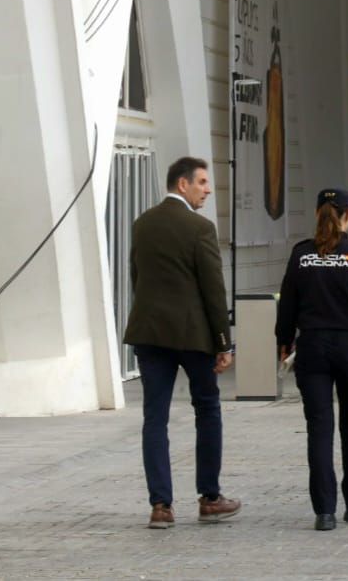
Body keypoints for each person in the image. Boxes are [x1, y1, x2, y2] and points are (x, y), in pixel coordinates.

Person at [124, 156, 241, 530]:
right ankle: (209, 497)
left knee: (154, 418)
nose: (207, 190)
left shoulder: (143, 223)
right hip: (193, 337)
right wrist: (224, 341)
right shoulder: (199, 228)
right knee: (207, 409)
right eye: (203, 182)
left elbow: (136, 276)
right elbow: (212, 288)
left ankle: (160, 506)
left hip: (150, 334)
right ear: (182, 185)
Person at [276, 187, 348, 532]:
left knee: (319, 429)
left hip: (312, 349)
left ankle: (324, 511)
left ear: (317, 213)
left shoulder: (301, 255)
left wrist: (284, 341)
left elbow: (287, 307)